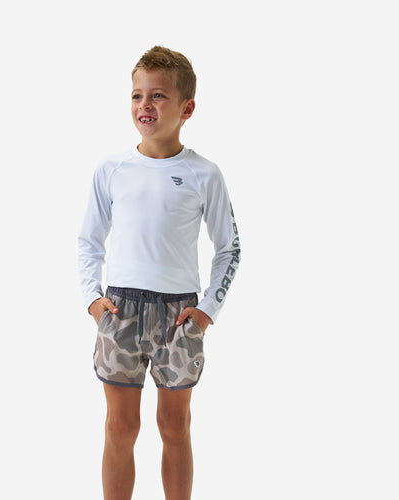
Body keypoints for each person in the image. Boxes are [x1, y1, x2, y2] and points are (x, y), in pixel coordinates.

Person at [77, 45, 241, 500]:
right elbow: (89, 241)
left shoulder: (204, 173)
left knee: (174, 424)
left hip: (179, 316)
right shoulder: (111, 169)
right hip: (120, 311)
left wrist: (206, 311)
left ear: (187, 108)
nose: (144, 105)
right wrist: (93, 300)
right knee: (120, 426)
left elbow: (229, 248)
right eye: (137, 95)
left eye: (158, 96)